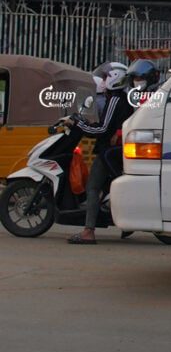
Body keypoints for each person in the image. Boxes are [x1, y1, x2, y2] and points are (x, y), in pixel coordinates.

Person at [66, 70, 134, 245]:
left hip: (108, 152)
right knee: (103, 187)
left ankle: (88, 231)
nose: (103, 82)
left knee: (93, 187)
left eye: (106, 78)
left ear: (114, 80)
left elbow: (103, 129)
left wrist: (80, 124)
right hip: (117, 150)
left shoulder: (115, 100)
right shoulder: (124, 99)